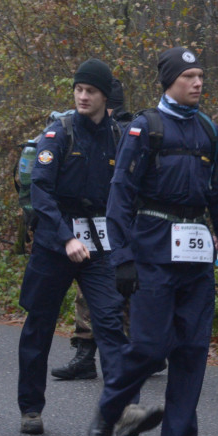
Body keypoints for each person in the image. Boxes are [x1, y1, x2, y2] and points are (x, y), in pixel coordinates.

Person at [88, 46, 218, 436]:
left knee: (192, 354)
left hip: (196, 259)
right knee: (152, 348)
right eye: (189, 76)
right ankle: (110, 408)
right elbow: (119, 196)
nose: (198, 83)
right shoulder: (145, 129)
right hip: (153, 252)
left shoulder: (209, 131)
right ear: (170, 81)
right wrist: (122, 258)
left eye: (200, 76)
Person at [18, 61, 162, 436]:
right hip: (55, 242)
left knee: (111, 324)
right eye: (79, 89)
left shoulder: (118, 137)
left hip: (100, 244)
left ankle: (124, 409)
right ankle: (31, 407)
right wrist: (66, 237)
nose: (83, 96)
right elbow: (40, 192)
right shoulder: (58, 134)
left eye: (91, 91)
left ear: (105, 99)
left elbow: (131, 192)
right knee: (39, 326)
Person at [52, 77, 132, 381]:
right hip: (92, 224)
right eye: (80, 91)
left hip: (117, 225)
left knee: (117, 290)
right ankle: (90, 354)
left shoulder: (124, 134)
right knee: (95, 291)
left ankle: (126, 353)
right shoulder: (71, 131)